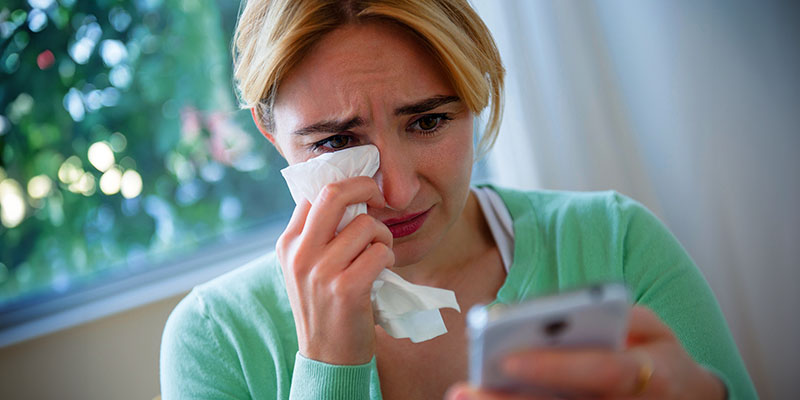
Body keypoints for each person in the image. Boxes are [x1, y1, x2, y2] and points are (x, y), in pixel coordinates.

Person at [159, 1, 758, 399]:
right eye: (338, 142)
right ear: (270, 133)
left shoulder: (613, 242)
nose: (398, 191)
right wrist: (329, 363)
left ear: (474, 97)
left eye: (428, 122)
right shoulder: (217, 338)